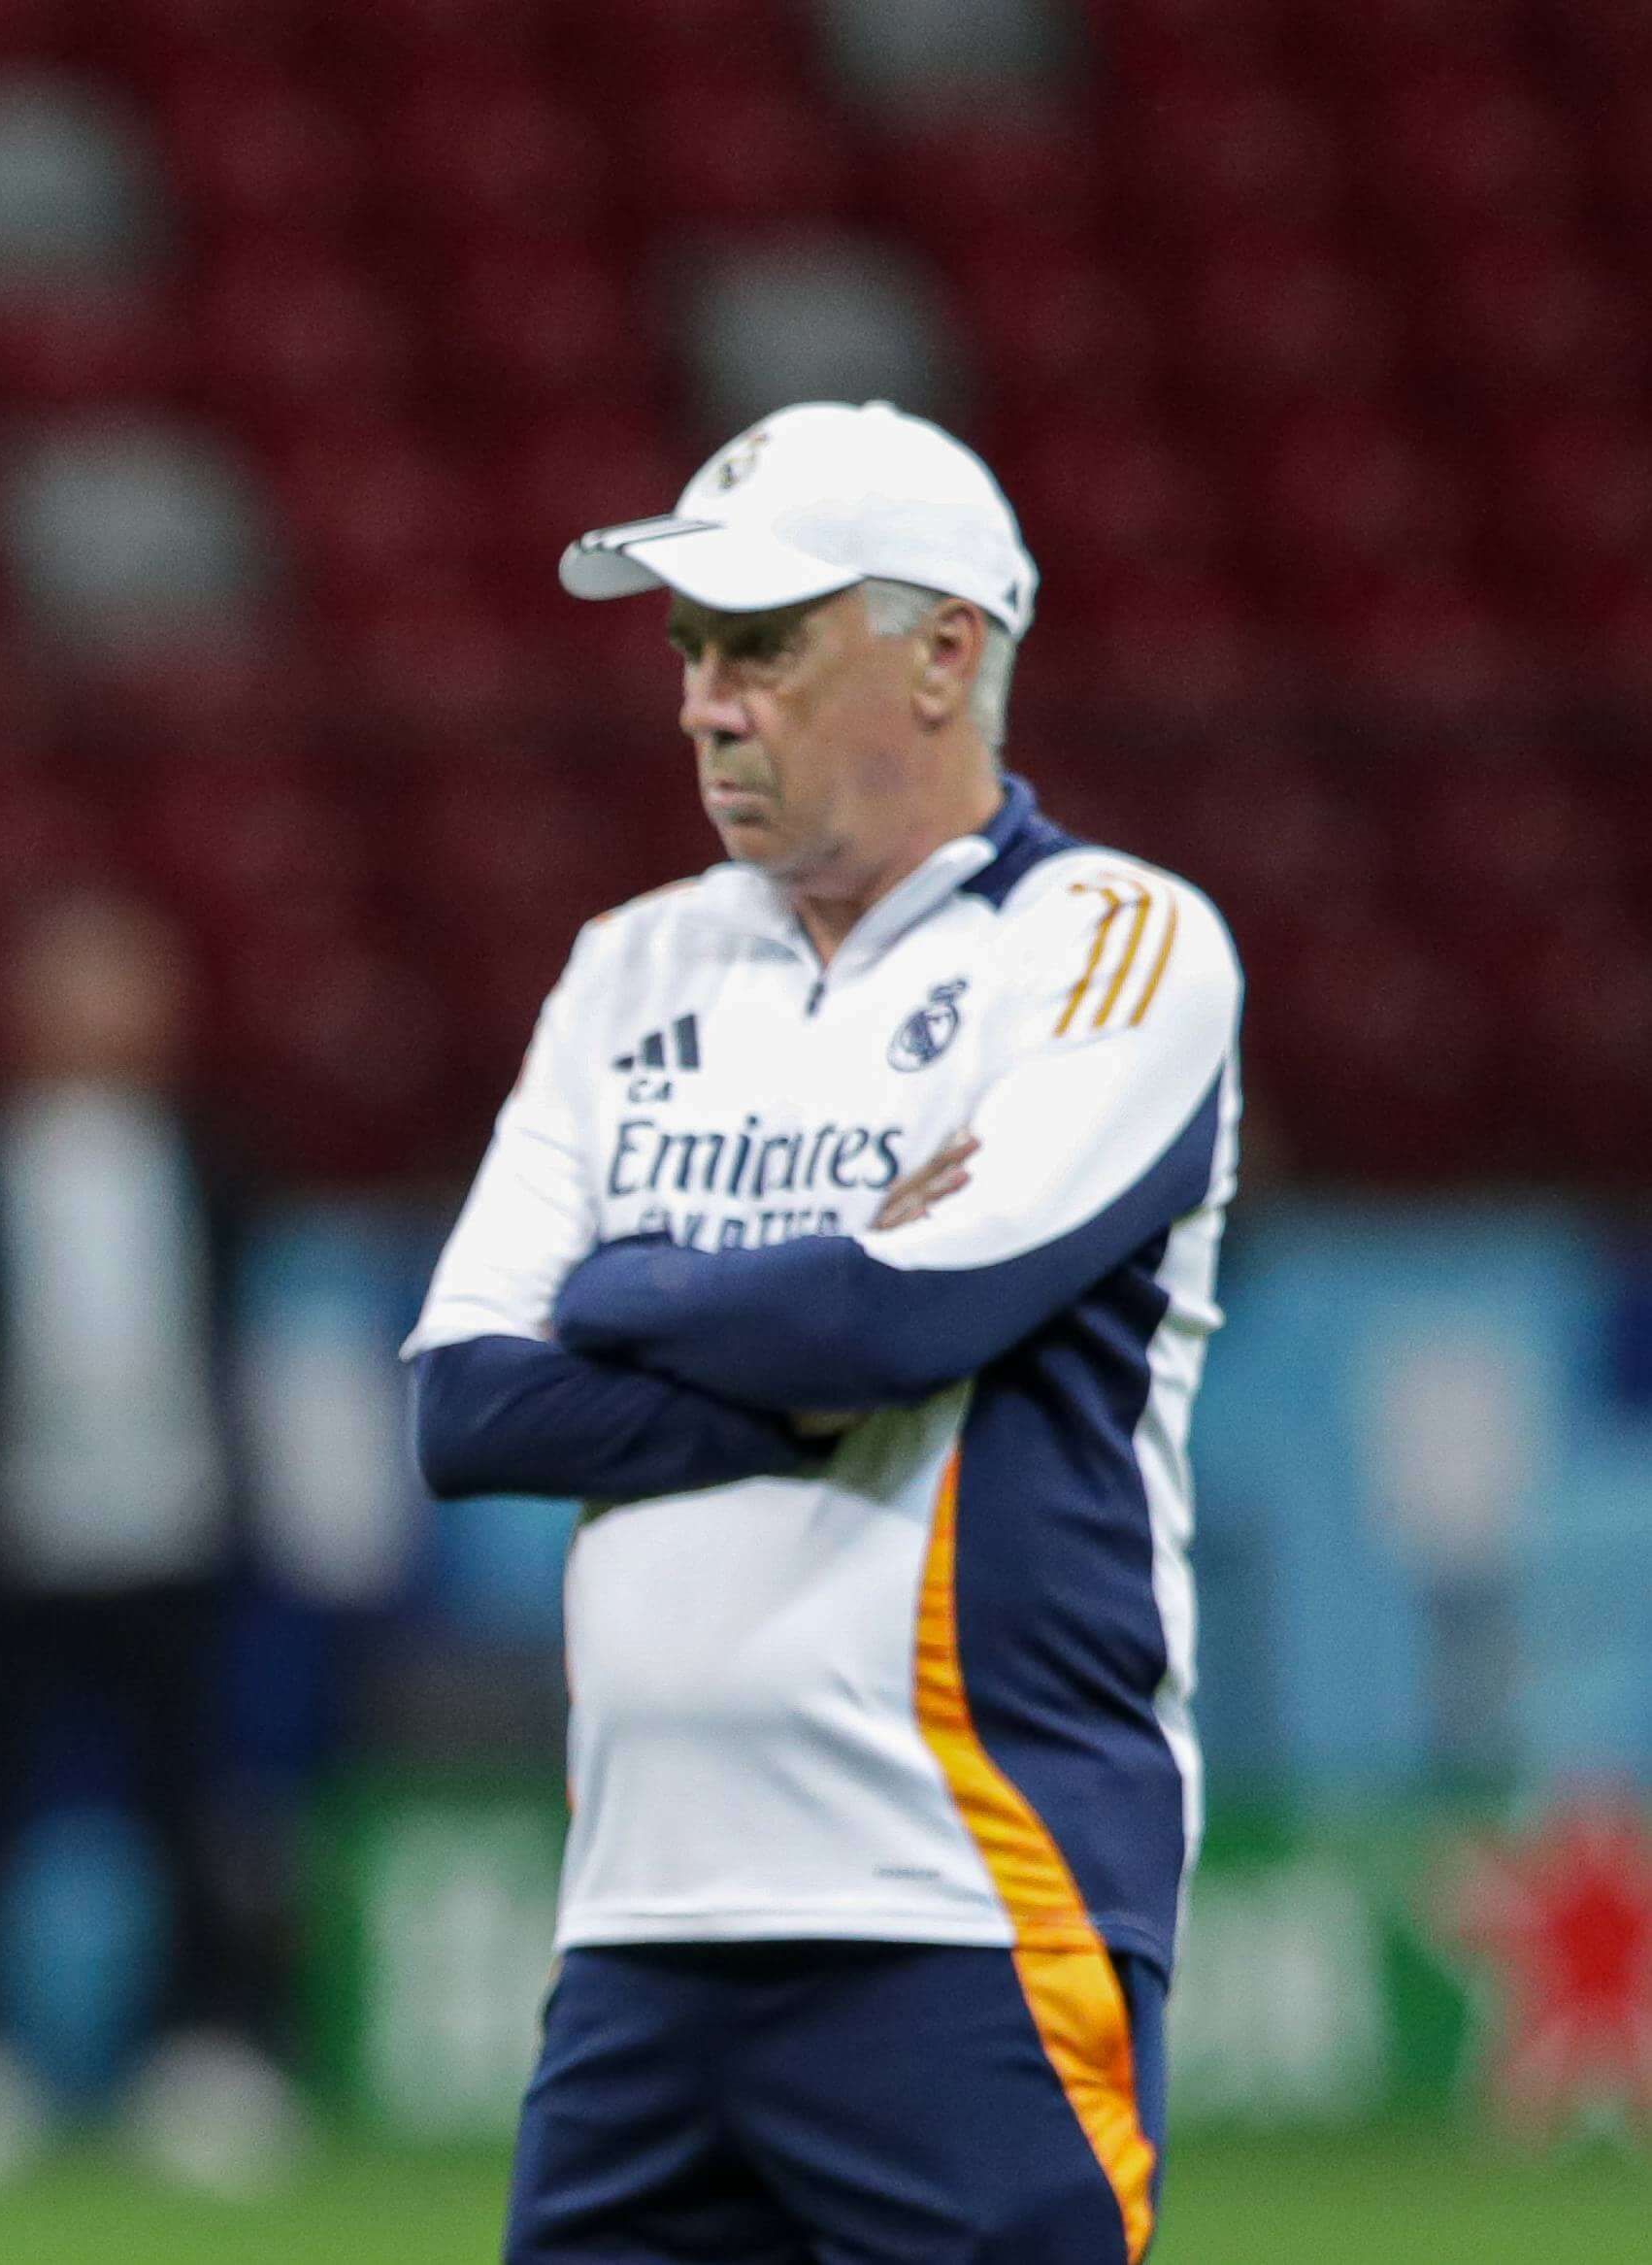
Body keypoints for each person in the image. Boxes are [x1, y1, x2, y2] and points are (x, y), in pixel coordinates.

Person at [405, 401, 1239, 2265]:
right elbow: (466, 1406)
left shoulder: (1112, 941)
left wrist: (632, 1291)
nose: (705, 701)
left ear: (946, 650)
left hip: (966, 1904)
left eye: (763, 646)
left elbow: (895, 1311)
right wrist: (794, 1358)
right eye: (691, 652)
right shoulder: (634, 961)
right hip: (637, 1926)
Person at [0, 891, 305, 2196]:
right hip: (19, 1538)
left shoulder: (211, 1162)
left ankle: (209, 2049)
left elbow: (237, 1338)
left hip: (176, 1535)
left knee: (193, 1803)